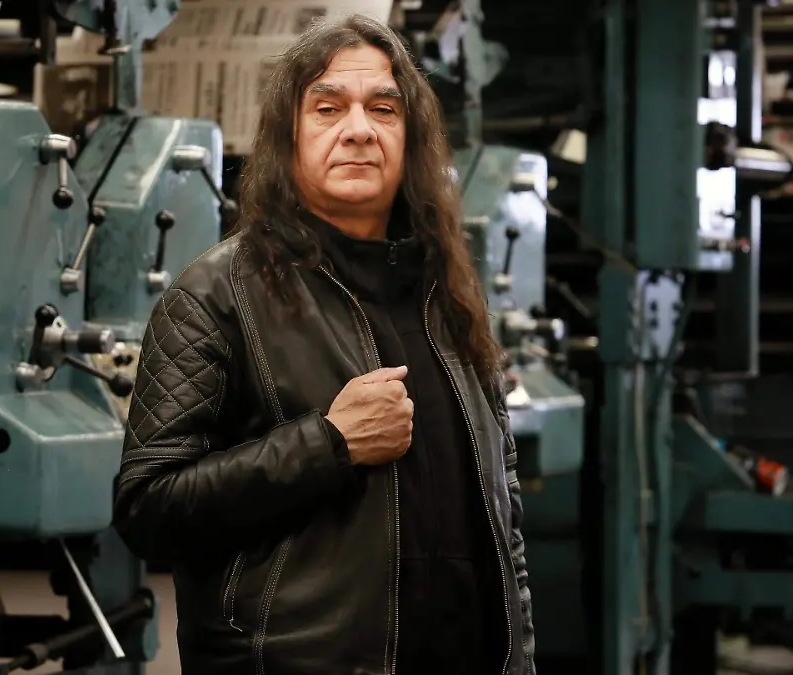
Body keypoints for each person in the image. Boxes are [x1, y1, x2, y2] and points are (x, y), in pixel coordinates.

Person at [113, 13, 535, 675]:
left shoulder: (448, 293)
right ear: (289, 137)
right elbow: (149, 507)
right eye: (329, 108)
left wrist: (521, 659)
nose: (359, 129)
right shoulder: (217, 294)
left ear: (411, 138)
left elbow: (503, 512)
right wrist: (329, 443)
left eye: (384, 109)